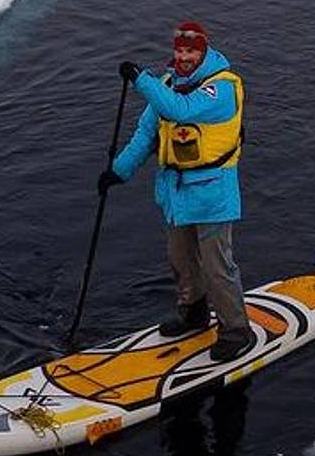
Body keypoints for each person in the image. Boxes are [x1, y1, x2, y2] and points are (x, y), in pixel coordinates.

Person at [97, 21, 254, 364]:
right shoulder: (167, 86)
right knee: (181, 260)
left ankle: (236, 330)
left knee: (217, 267)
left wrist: (140, 79)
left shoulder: (222, 88)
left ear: (203, 52)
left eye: (191, 51)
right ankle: (194, 314)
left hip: (213, 196)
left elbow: (179, 110)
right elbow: (145, 135)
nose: (183, 57)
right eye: (179, 51)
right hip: (176, 194)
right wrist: (117, 172)